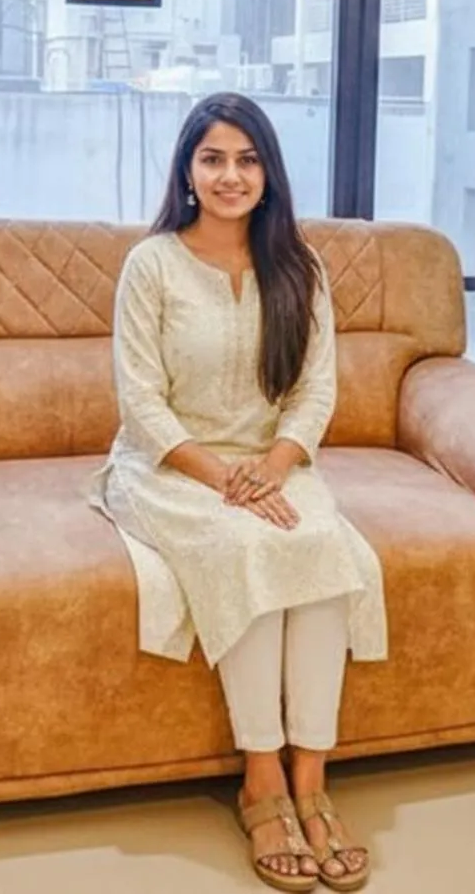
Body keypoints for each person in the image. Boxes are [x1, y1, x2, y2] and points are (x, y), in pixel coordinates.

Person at [89, 93, 384, 892]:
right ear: (187, 170)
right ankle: (261, 779)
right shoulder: (151, 264)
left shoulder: (301, 267)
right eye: (213, 158)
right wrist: (224, 479)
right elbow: (140, 401)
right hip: (168, 467)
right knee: (242, 543)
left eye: (247, 159)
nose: (231, 175)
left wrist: (276, 464)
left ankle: (312, 778)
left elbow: (315, 390)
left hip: (274, 463)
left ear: (269, 172)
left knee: (322, 546)